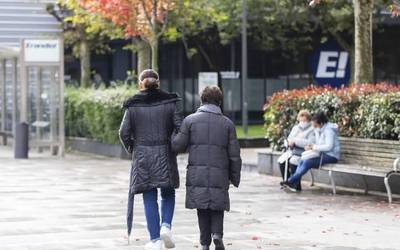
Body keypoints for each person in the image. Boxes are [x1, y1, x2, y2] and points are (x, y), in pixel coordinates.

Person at [171, 86, 242, 250]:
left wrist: (172, 132)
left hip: (198, 173)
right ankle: (217, 235)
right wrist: (234, 177)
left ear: (201, 99)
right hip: (220, 173)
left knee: (202, 207)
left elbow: (177, 145)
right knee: (217, 205)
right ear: (219, 101)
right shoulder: (228, 124)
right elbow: (234, 155)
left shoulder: (190, 120)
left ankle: (204, 243)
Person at [119, 69, 182, 250]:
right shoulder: (170, 103)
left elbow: (123, 133)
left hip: (143, 157)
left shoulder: (132, 106)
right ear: (158, 83)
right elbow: (180, 128)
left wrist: (133, 148)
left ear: (141, 84)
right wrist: (174, 147)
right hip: (165, 153)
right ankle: (166, 226)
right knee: (168, 193)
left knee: (149, 196)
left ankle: (155, 240)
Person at [281, 111, 340, 192]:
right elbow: (318, 143)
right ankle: (292, 181)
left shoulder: (329, 131)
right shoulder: (319, 129)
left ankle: (291, 181)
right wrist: (311, 147)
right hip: (321, 153)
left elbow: (329, 147)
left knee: (308, 162)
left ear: (321, 123)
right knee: (303, 159)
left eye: (315, 125)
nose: (314, 127)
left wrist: (314, 147)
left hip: (331, 155)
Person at [278, 110, 315, 191]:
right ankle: (288, 182)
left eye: (304, 121)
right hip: (293, 150)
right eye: (301, 120)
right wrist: (288, 143)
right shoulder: (296, 128)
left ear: (308, 120)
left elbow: (310, 142)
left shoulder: (312, 129)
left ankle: (296, 185)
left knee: (293, 161)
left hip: (304, 153)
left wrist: (295, 141)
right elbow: (289, 139)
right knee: (281, 162)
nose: (302, 122)